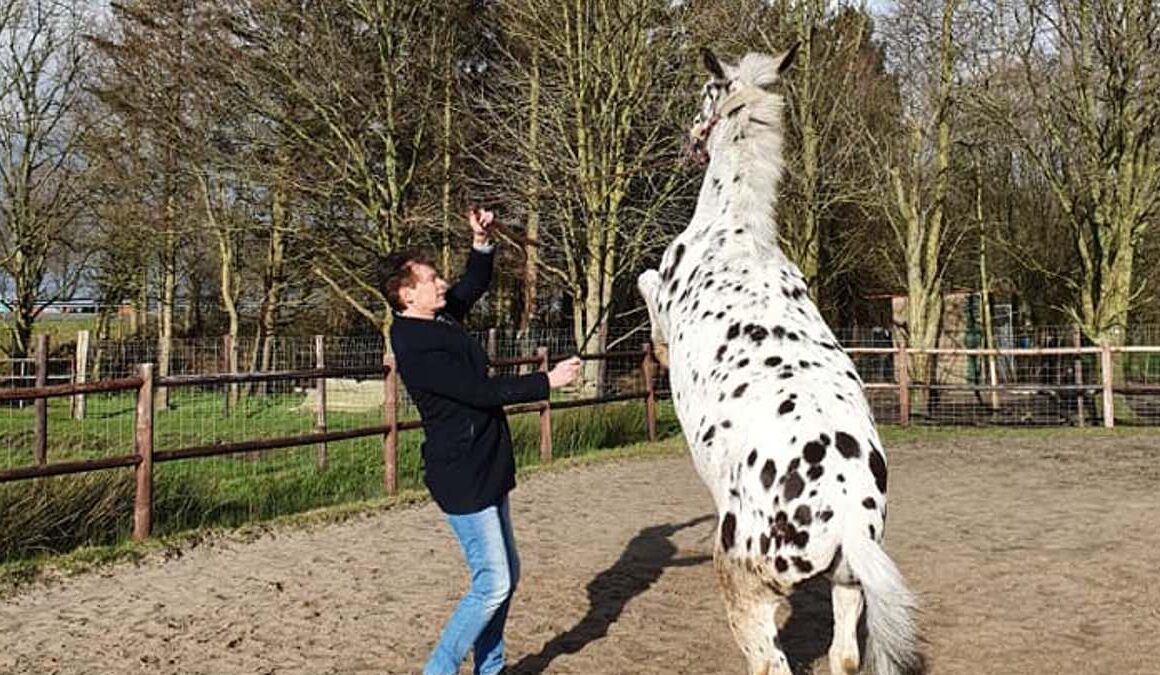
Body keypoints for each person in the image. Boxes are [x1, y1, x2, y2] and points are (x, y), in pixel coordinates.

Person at [384, 207, 582, 675]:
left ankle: (489, 670)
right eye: (432, 279)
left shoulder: (438, 321)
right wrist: (544, 382)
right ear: (407, 293)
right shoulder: (413, 342)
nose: (442, 284)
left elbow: (472, 285)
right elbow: (477, 393)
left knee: (505, 577)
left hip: (486, 464)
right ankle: (439, 670)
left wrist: (481, 243)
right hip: (461, 475)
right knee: (492, 582)